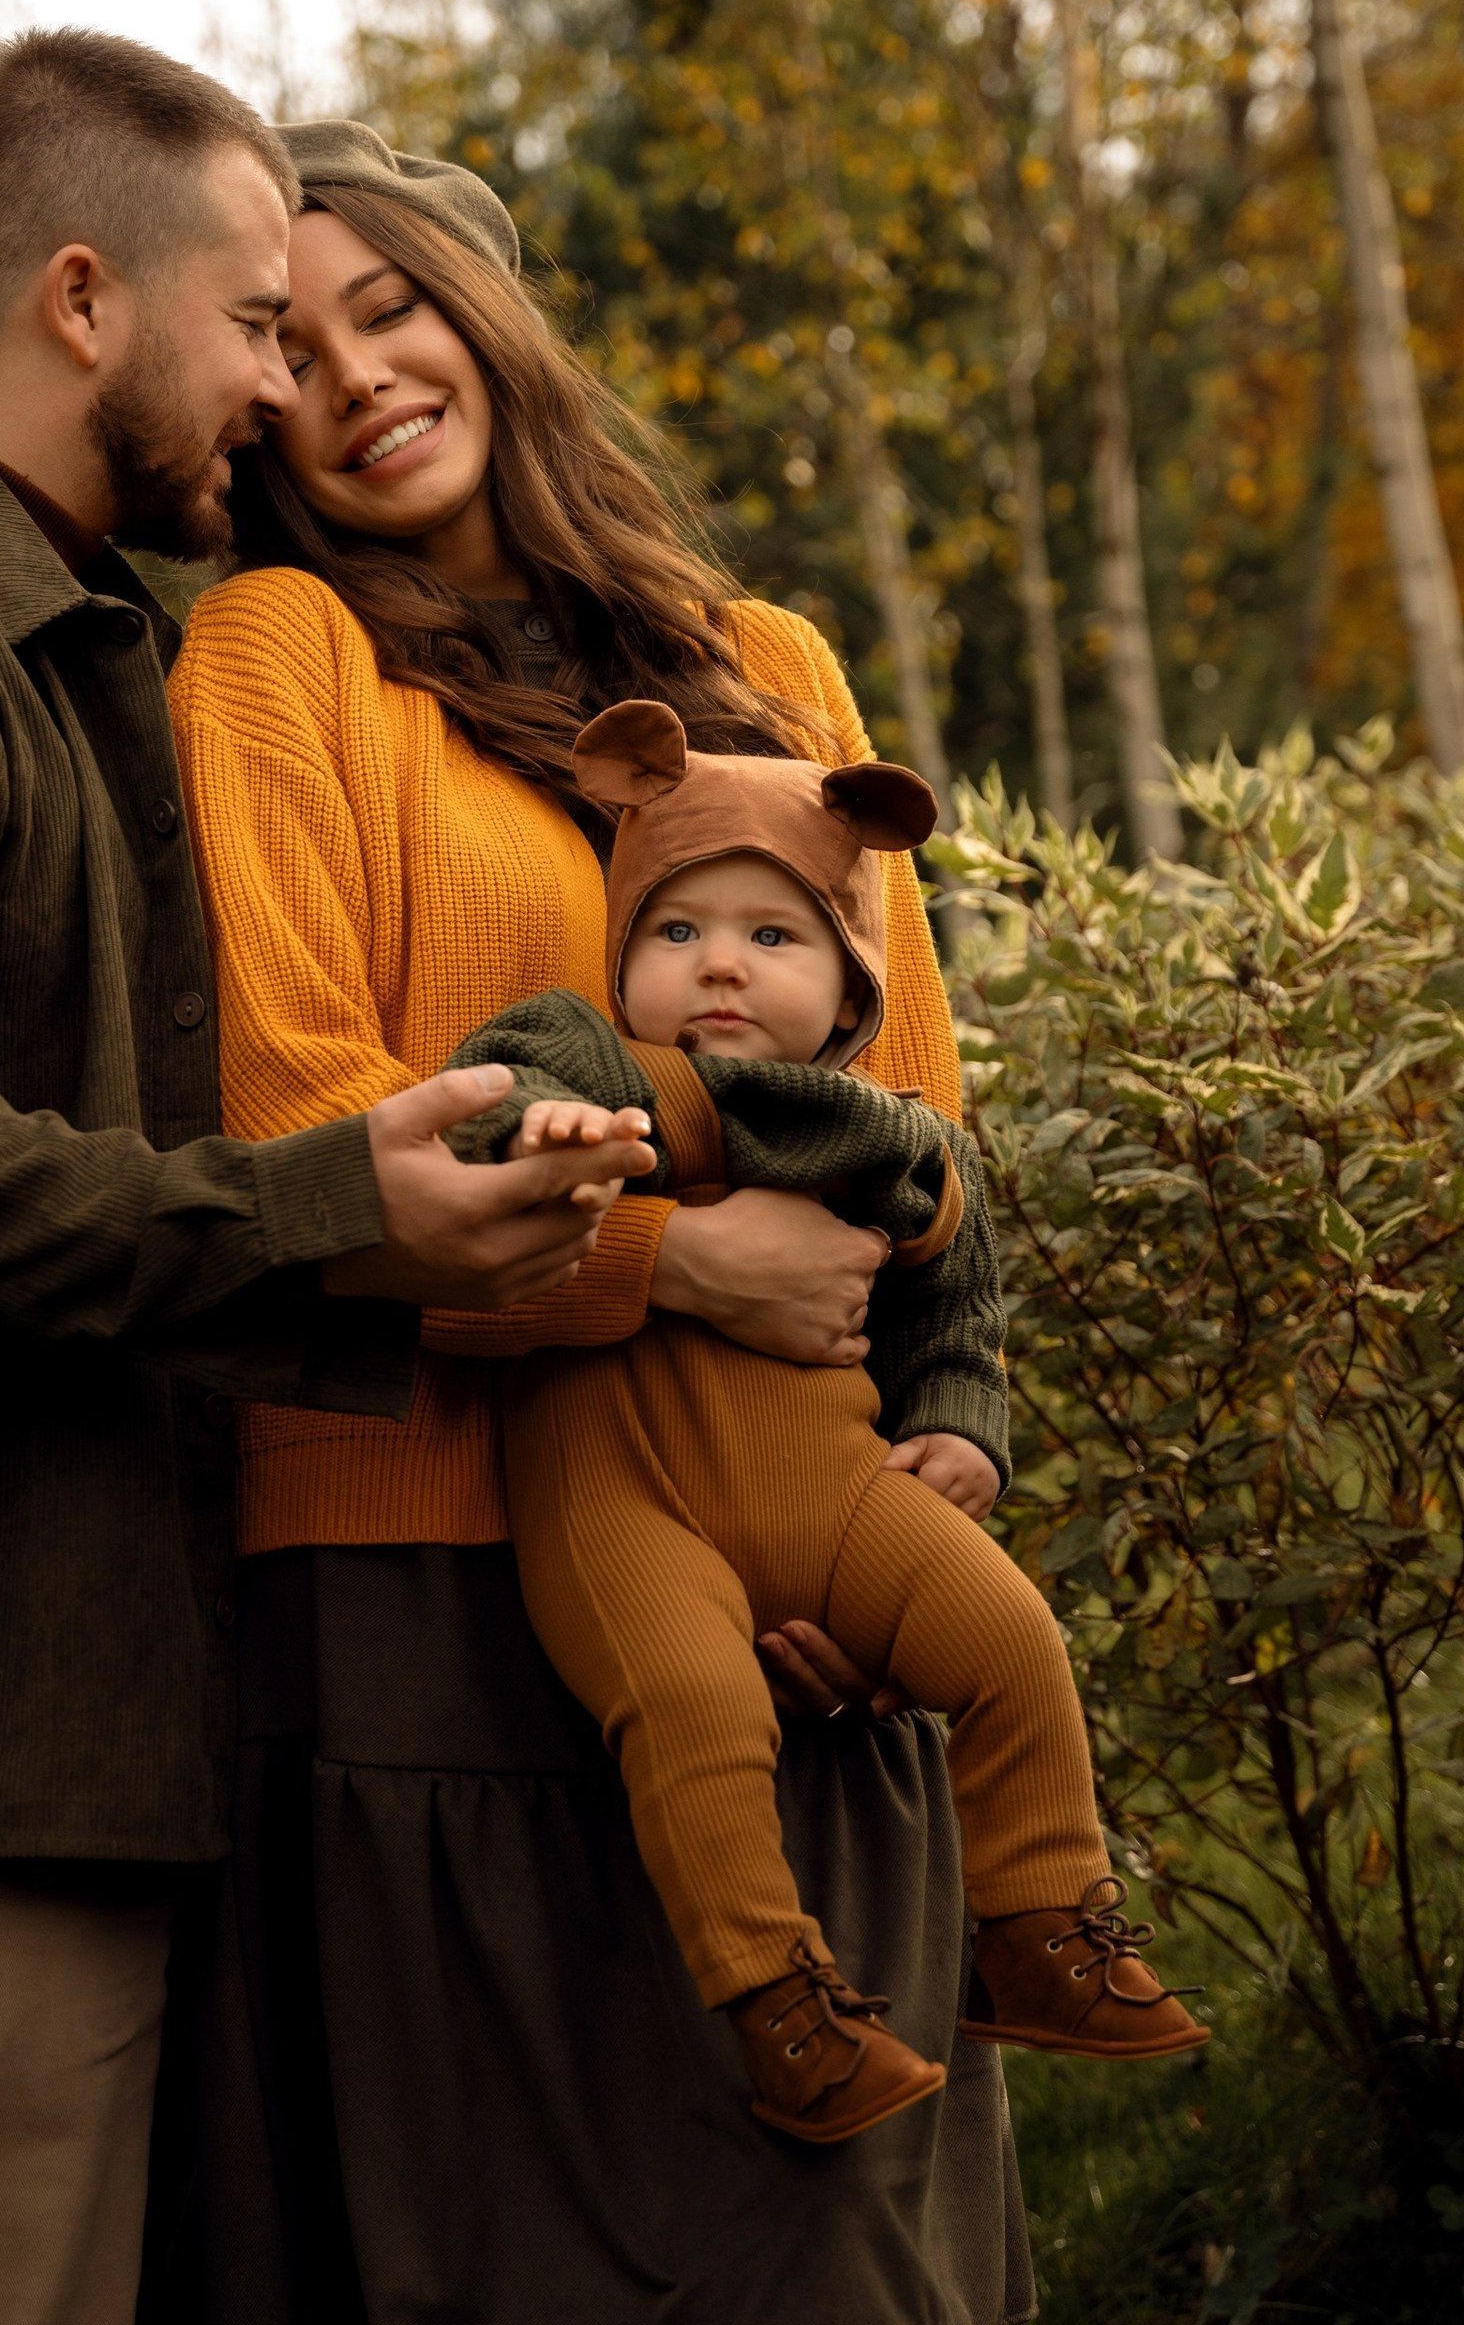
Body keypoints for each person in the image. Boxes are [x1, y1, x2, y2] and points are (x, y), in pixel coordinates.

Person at [0, 33, 646, 2325]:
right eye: (253, 320)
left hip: (61, 1719)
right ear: (82, 298)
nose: (277, 386)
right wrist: (336, 1207)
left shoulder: (56, 642)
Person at [160, 120, 1037, 2322]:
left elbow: (910, 1114)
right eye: (290, 351)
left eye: (391, 309)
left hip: (793, 1543)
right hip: (424, 1573)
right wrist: (676, 1257)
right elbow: (302, 1124)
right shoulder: (276, 657)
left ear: (489, 311)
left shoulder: (772, 668)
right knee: (504, 2253)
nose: (356, 379)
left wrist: (905, 1479)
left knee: (841, 2246)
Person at [440, 699, 1213, 2145]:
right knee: (694, 1713)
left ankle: (1041, 1929)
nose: (721, 962)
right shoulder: (583, 1057)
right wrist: (536, 1132)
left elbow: (954, 1308)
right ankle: (778, 2005)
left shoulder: (894, 1139)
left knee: (1011, 1639)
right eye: (677, 931)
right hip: (623, 1501)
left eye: (773, 935)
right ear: (624, 952)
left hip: (833, 1487)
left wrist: (961, 1427)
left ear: (852, 982)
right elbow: (479, 1116)